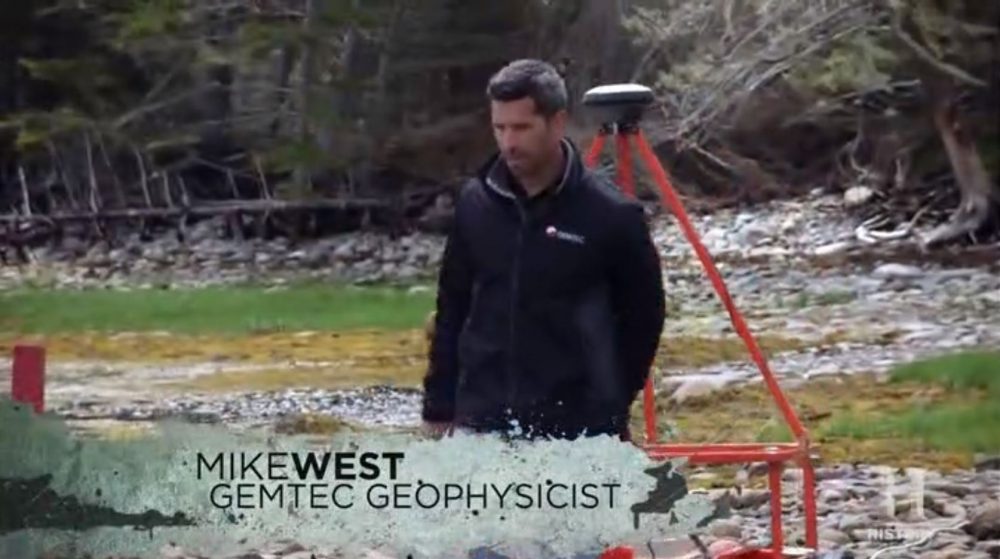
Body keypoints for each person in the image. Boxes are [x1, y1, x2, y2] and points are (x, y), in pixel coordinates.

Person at [421, 58, 666, 443]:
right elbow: (452, 307)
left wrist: (610, 408)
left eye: (522, 128)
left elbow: (644, 321)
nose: (509, 143)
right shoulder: (475, 202)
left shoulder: (612, 215)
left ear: (557, 122)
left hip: (576, 433)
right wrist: (438, 407)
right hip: (481, 423)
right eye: (500, 128)